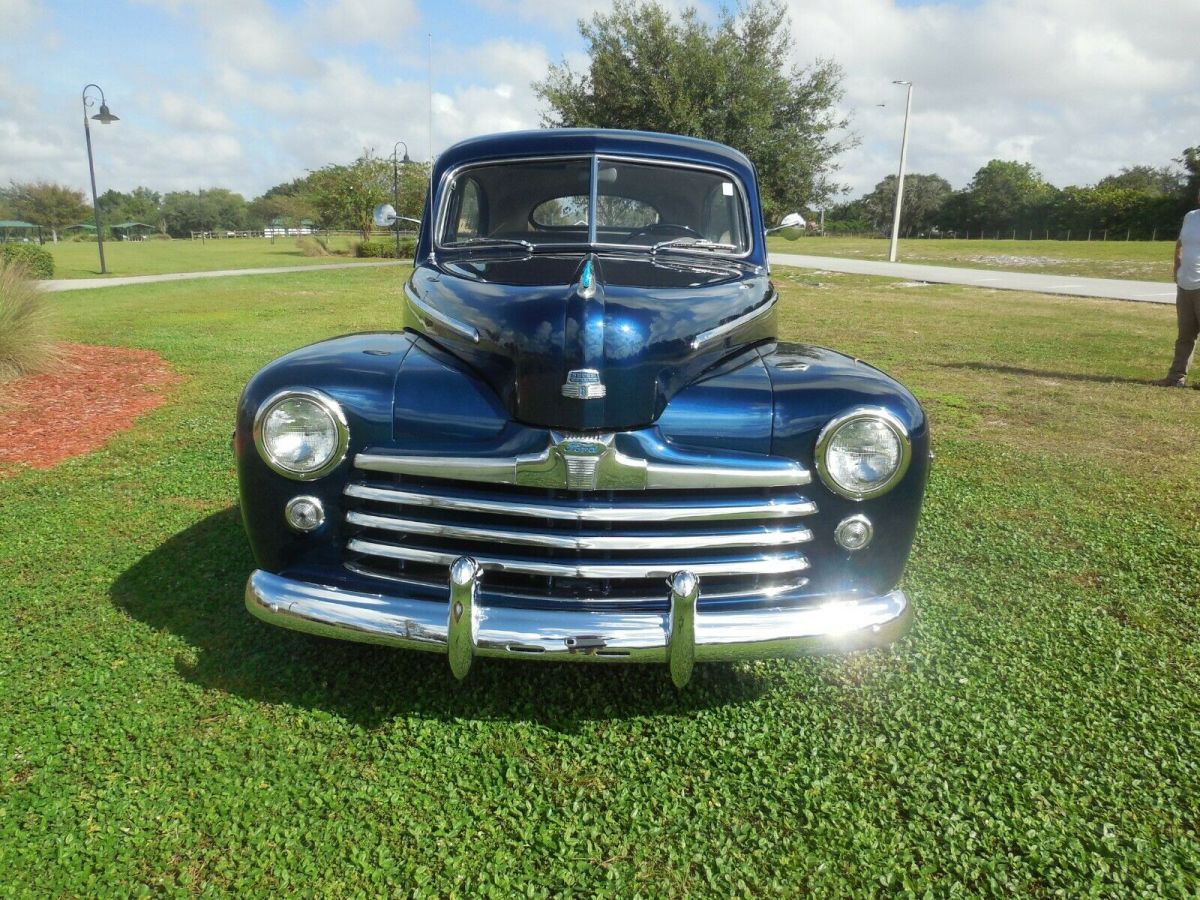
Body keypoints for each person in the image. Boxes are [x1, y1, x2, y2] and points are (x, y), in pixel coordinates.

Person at [1156, 187, 1200, 387]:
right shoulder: (1190, 217)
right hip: (1185, 284)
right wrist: (1176, 265)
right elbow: (1180, 242)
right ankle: (1176, 378)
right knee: (1185, 335)